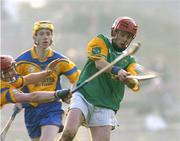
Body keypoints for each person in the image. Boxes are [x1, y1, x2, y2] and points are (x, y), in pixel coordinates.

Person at [58, 17, 144, 141]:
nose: (125, 39)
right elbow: (99, 63)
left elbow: (135, 85)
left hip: (106, 104)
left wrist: (128, 80)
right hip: (84, 95)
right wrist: (117, 70)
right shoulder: (100, 41)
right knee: (69, 133)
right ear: (114, 32)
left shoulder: (130, 60)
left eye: (129, 37)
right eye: (122, 35)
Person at [15, 21, 80, 141]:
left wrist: (72, 95)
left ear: (52, 37)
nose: (45, 37)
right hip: (31, 109)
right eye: (41, 34)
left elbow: (78, 79)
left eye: (48, 34)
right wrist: (17, 98)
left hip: (52, 107)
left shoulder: (60, 60)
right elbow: (12, 83)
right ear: (35, 37)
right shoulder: (21, 61)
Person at [0, 55, 71, 108]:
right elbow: (32, 97)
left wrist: (47, 73)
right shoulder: (3, 90)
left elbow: (27, 79)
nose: (14, 72)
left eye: (12, 68)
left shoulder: (8, 79)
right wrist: (57, 94)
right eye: (9, 70)